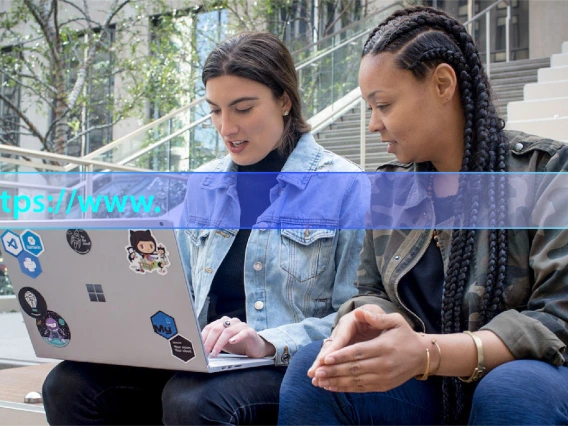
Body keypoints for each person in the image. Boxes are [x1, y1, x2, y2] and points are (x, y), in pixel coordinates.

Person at [42, 32, 367, 425]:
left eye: (243, 108)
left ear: (284, 100)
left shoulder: (346, 186)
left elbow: (354, 317)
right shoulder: (204, 183)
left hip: (282, 366)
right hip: (200, 358)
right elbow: (174, 289)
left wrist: (266, 342)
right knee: (68, 384)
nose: (226, 127)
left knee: (192, 401)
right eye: (215, 110)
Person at [278, 6, 568, 425]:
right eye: (369, 108)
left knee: (511, 390)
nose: (374, 124)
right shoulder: (390, 189)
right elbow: (372, 290)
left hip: (526, 382)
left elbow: (557, 320)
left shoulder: (545, 171)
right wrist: (364, 323)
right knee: (317, 369)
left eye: (383, 104)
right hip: (429, 389)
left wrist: (427, 353)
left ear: (443, 84)